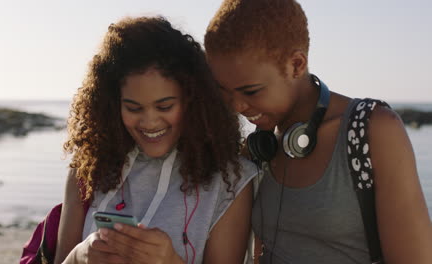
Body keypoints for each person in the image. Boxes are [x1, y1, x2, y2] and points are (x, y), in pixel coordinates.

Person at [204, 0, 432, 263]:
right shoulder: (258, 147)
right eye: (224, 90)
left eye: (251, 91)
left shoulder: (372, 130)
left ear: (296, 65)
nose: (237, 106)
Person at [54, 16, 257, 264]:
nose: (149, 122)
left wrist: (171, 261)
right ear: (112, 105)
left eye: (164, 106)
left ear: (192, 99)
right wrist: (79, 256)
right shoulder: (88, 167)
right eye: (133, 108)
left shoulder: (231, 181)